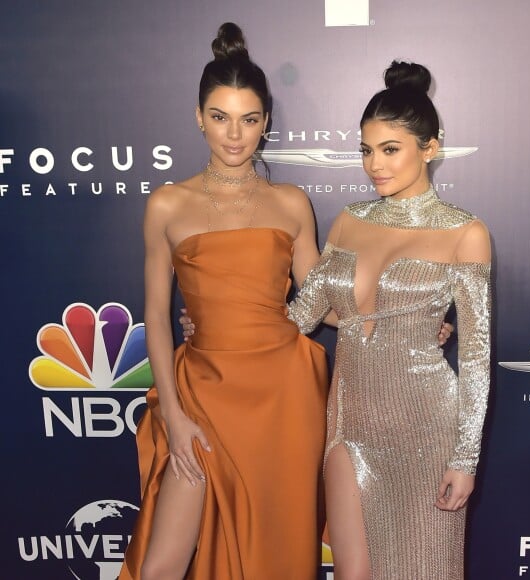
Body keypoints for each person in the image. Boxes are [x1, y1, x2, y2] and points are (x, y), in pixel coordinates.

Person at [119, 22, 329, 580]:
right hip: (202, 393)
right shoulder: (168, 203)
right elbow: (156, 318)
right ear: (198, 117)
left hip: (284, 398)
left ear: (265, 123)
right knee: (161, 564)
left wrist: (404, 323)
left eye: (249, 119)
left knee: (279, 555)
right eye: (220, 117)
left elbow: (324, 300)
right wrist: (176, 412)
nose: (234, 135)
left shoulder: (290, 202)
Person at [286, 61, 492, 579]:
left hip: (427, 428)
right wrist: (224, 320)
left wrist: (464, 458)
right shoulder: (349, 221)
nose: (374, 165)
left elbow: (476, 357)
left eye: (390, 149)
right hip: (349, 424)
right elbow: (301, 317)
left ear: (430, 148)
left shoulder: (465, 233)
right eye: (366, 149)